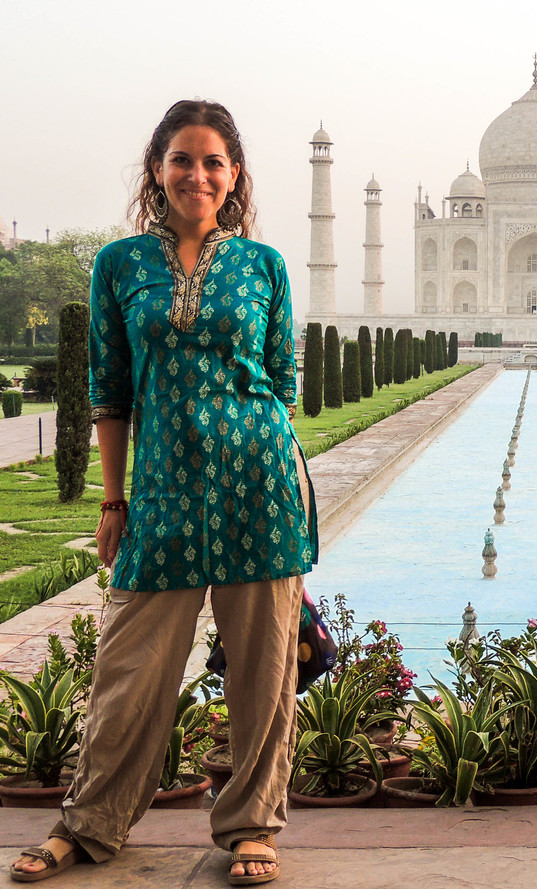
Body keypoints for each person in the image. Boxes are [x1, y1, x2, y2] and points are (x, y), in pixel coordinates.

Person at [10, 100, 317, 886]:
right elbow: (108, 390)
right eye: (183, 159)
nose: (198, 174)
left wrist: (274, 470)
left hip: (260, 490)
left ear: (235, 175)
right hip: (164, 496)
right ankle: (89, 823)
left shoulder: (264, 266)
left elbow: (281, 385)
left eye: (214, 161)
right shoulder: (120, 264)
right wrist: (113, 499)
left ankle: (251, 826)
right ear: (157, 169)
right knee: (129, 670)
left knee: (262, 671)